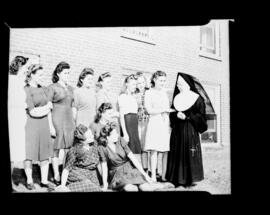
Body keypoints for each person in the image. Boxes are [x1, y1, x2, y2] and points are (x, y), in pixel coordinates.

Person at [97, 122, 174, 191]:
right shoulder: (102, 148)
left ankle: (162, 186)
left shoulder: (120, 140)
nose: (117, 135)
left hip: (129, 169)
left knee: (145, 188)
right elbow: (104, 168)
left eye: (117, 133)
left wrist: (145, 175)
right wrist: (105, 184)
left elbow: (133, 159)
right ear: (107, 137)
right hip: (116, 174)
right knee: (131, 189)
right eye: (114, 134)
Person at [166, 73, 210, 187]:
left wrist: (188, 117)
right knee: (177, 152)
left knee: (188, 152)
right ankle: (177, 178)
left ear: (187, 84)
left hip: (190, 130)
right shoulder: (176, 98)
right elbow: (171, 115)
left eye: (181, 84)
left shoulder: (197, 98)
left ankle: (190, 179)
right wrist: (176, 116)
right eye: (177, 84)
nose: (179, 86)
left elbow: (201, 117)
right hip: (177, 131)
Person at [23, 64, 55, 191]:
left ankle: (44, 180)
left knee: (45, 154)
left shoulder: (44, 89)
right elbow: (33, 112)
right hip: (31, 124)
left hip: (44, 125)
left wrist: (51, 126)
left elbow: (49, 111)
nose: (43, 77)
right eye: (40, 75)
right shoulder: (26, 90)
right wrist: (47, 107)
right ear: (32, 75)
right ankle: (30, 180)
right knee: (29, 154)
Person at [48, 61, 76, 185]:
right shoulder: (52, 87)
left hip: (69, 121)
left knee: (68, 149)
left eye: (69, 73)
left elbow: (73, 106)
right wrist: (50, 126)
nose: (67, 75)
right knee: (56, 149)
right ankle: (56, 174)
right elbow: (48, 108)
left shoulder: (71, 88)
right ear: (59, 74)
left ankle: (65, 173)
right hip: (57, 120)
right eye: (65, 73)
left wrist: (74, 122)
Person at [144, 71, 175, 182]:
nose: (163, 83)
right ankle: (153, 176)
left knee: (165, 150)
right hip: (154, 122)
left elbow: (168, 107)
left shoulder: (165, 93)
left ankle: (164, 175)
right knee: (154, 149)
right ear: (154, 80)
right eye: (161, 80)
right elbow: (149, 110)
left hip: (165, 123)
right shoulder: (149, 93)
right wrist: (163, 110)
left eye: (164, 80)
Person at [55, 124, 103, 192]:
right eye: (89, 136)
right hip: (77, 174)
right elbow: (66, 169)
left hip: (91, 175)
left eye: (91, 134)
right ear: (82, 139)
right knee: (89, 186)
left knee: (97, 189)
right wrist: (63, 185)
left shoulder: (95, 144)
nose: (92, 136)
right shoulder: (74, 150)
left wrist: (104, 180)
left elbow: (98, 163)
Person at [8, 56, 29, 191]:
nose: (27, 70)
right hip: (13, 119)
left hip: (20, 119)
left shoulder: (21, 82)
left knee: (15, 153)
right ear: (19, 66)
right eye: (26, 67)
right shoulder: (12, 81)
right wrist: (25, 104)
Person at [118, 74, 142, 162]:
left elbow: (136, 115)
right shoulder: (122, 97)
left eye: (135, 85)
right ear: (126, 84)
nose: (134, 87)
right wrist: (125, 133)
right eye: (132, 84)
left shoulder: (133, 97)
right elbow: (121, 116)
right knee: (128, 151)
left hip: (134, 126)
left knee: (136, 151)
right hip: (127, 126)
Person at [134, 72, 150, 172]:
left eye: (142, 82)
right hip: (138, 121)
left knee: (149, 145)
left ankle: (153, 169)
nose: (141, 85)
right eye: (138, 83)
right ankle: (143, 168)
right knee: (141, 145)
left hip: (148, 121)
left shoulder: (149, 92)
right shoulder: (134, 94)